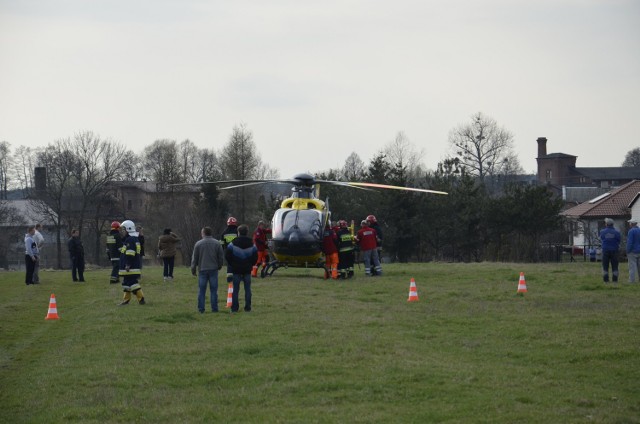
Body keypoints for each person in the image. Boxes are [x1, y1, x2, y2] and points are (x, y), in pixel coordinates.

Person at [191, 226, 224, 313]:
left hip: (202, 269)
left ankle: (201, 309)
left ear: (203, 233)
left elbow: (194, 259)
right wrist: (219, 266)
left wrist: (193, 269)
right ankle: (214, 309)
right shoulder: (217, 243)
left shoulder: (198, 244)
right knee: (213, 290)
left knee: (202, 291)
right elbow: (221, 257)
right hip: (213, 269)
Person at [225, 224, 258, 313]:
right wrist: (250, 264)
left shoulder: (233, 243)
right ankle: (248, 307)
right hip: (247, 269)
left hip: (236, 269)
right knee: (247, 289)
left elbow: (228, 256)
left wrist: (232, 264)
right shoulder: (252, 243)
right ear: (247, 232)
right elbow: (255, 257)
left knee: (235, 290)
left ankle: (234, 308)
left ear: (238, 232)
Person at [119, 220, 145, 305]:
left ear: (128, 229)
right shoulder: (133, 239)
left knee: (133, 283)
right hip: (132, 266)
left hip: (131, 267)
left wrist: (127, 265)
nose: (122, 232)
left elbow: (130, 253)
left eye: (123, 230)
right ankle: (126, 300)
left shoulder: (130, 240)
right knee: (126, 284)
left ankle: (141, 299)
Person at [599, 217, 621, 284]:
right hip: (614, 250)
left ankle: (606, 281)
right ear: (613, 224)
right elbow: (619, 240)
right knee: (615, 266)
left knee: (605, 266)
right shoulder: (617, 232)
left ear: (606, 224)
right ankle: (615, 281)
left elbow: (601, 239)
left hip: (605, 250)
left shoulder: (602, 232)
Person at [220, 217, 239, 285]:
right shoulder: (237, 232)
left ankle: (229, 279)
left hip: (227, 251)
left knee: (229, 265)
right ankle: (238, 278)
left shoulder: (224, 232)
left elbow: (221, 243)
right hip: (236, 251)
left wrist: (223, 251)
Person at [626, 218, 640, 283]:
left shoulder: (631, 231)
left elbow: (630, 242)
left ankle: (632, 281)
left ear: (631, 224)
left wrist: (627, 250)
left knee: (632, 267)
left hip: (632, 251)